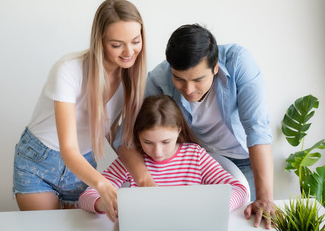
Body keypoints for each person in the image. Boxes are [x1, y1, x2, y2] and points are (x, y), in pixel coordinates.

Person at [117, 24, 274, 229]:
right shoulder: (158, 78)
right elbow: (125, 136)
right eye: (179, 79)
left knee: (245, 220)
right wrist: (146, 183)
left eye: (198, 79)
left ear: (215, 67)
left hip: (244, 156)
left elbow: (257, 128)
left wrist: (264, 197)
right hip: (197, 158)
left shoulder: (239, 62)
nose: (188, 90)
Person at [12, 0, 147, 218]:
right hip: (39, 162)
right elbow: (68, 149)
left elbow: (115, 137)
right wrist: (102, 184)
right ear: (100, 41)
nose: (128, 52)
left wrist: (144, 178)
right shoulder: (69, 69)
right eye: (116, 44)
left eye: (135, 41)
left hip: (83, 166)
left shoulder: (131, 80)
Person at [79, 95, 249, 221]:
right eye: (148, 142)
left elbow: (239, 189)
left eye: (166, 142)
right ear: (138, 135)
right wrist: (105, 204)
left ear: (179, 131)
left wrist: (211, 208)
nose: (158, 152)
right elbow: (86, 197)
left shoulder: (195, 156)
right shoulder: (131, 163)